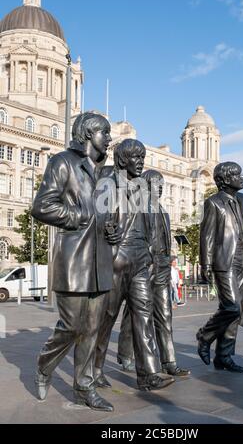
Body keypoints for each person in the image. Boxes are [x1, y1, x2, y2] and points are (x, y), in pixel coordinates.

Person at [32, 112, 120, 411]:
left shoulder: (105, 173)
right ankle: (45, 365)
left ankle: (84, 388)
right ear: (87, 133)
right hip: (74, 259)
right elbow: (42, 206)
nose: (109, 138)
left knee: (92, 329)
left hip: (101, 260)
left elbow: (106, 213)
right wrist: (78, 217)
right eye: (104, 132)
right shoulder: (63, 162)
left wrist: (110, 227)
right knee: (71, 326)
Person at [94, 140, 175, 391]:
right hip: (116, 257)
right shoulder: (108, 180)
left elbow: (150, 223)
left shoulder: (142, 187)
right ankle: (94, 369)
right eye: (135, 157)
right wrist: (106, 230)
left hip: (141, 258)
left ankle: (148, 373)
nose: (140, 162)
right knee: (107, 317)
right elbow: (95, 214)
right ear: (121, 160)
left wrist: (151, 253)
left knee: (144, 314)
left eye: (142, 157)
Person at [117, 170, 190, 377]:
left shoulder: (164, 212)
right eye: (155, 182)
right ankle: (125, 354)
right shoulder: (136, 208)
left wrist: (168, 261)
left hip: (163, 268)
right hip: (143, 267)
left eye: (162, 182)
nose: (160, 186)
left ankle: (169, 361)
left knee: (165, 315)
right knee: (135, 315)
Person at [196, 161, 243, 373]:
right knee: (232, 307)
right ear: (224, 179)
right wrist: (205, 263)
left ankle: (224, 356)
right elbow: (206, 236)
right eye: (237, 174)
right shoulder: (213, 203)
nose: (242, 178)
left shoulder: (241, 203)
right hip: (225, 261)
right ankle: (205, 335)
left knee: (237, 311)